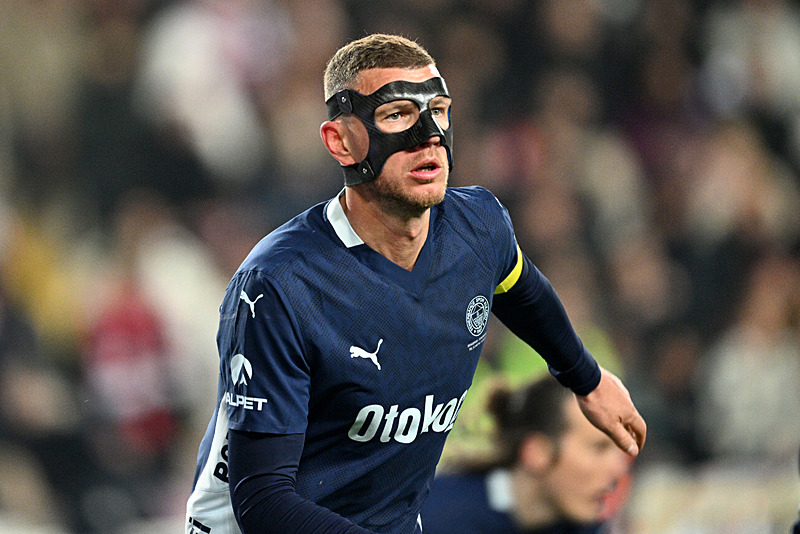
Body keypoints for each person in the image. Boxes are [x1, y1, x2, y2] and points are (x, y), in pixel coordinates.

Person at [185, 33, 646, 534]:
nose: (430, 136)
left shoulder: (479, 228)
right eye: (398, 115)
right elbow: (263, 502)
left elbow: (523, 291)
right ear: (340, 142)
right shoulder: (279, 285)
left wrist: (587, 379)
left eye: (439, 111)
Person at [420, 376, 632, 534]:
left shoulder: (591, 527)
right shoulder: (431, 516)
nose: (619, 469)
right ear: (536, 452)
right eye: (599, 448)